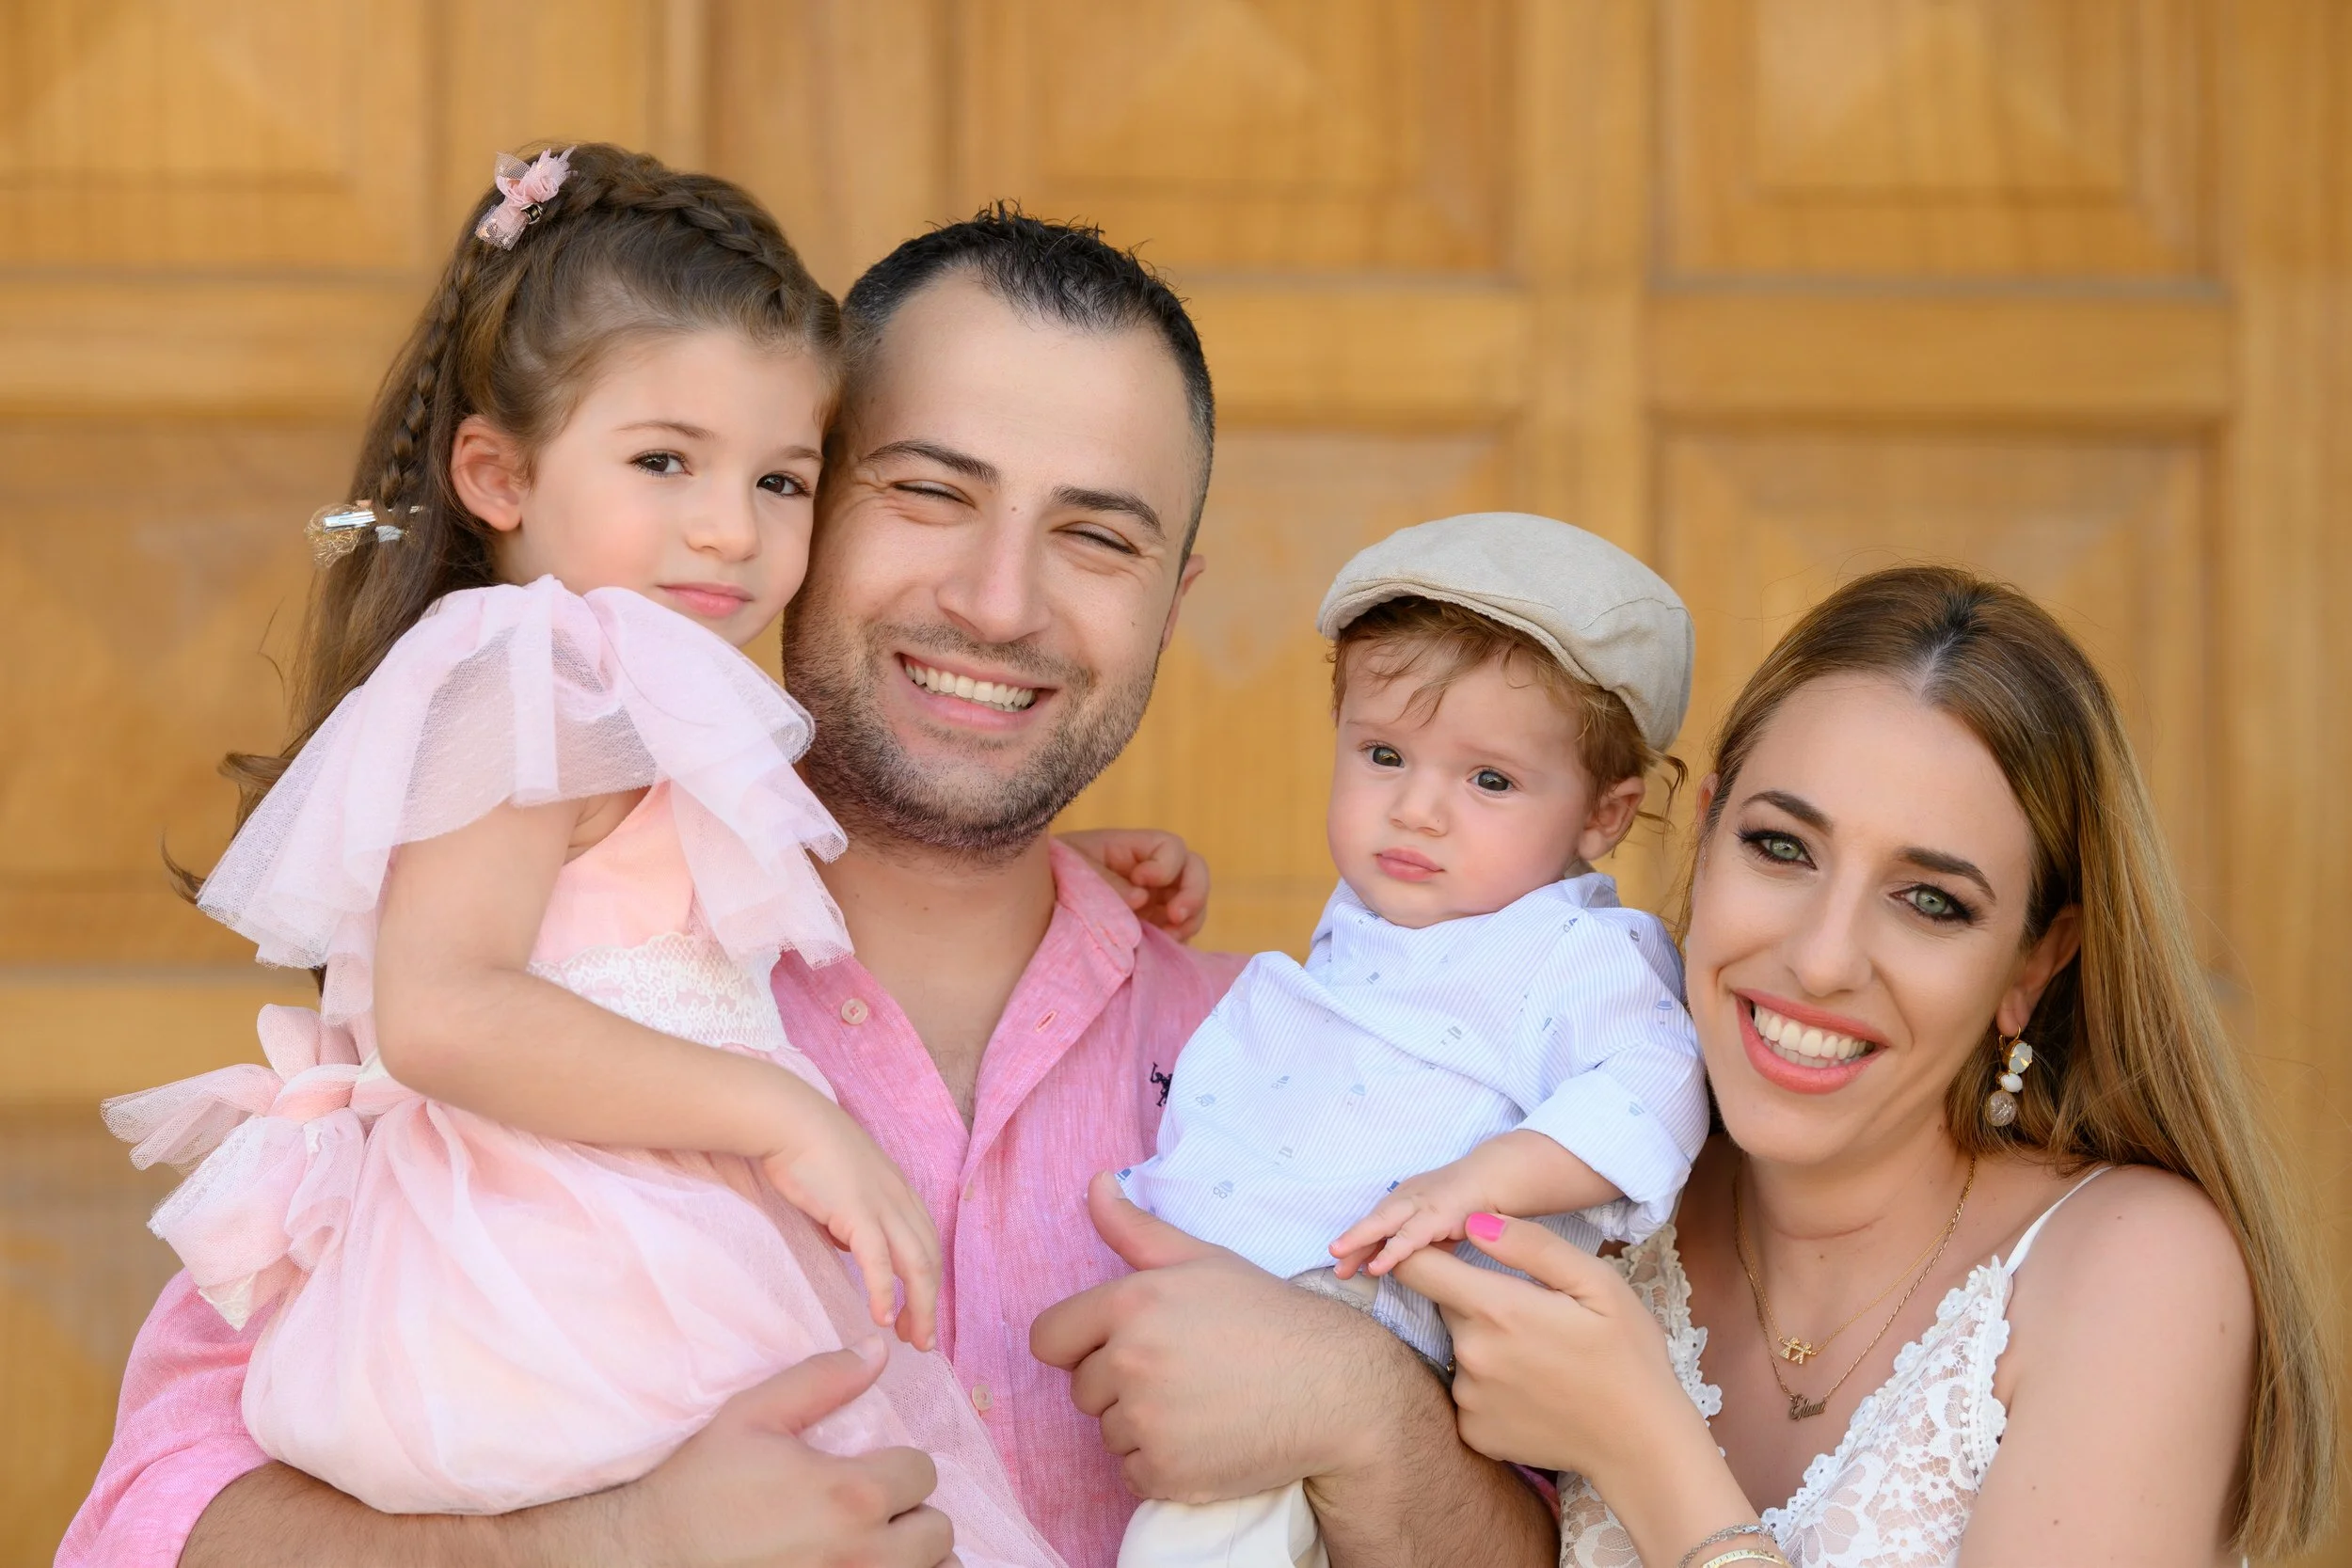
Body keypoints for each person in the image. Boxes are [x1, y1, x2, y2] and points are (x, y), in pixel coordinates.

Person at [62, 201, 1559, 1568]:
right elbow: (160, 1515)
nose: (998, 600)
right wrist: (607, 1544)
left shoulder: (1327, 1062)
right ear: (802, 508)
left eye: (1097, 536)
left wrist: (1371, 1415)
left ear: (1173, 600)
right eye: (927, 491)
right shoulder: (563, 980)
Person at [87, 141, 1057, 1562]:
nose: (731, 526)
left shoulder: (631, 686)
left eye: (783, 478)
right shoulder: (535, 664)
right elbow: (443, 1006)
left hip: (639, 1237)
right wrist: (792, 1118)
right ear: (498, 471)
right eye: (665, 459)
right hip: (564, 1264)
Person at [1392, 566, 2339, 1567]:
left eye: (1930, 900)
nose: (1822, 957)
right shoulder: (1585, 1198)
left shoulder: (2129, 1270)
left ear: (2033, 962)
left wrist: (1641, 1448)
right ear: (1706, 834)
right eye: (1780, 846)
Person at [1115, 514, 1710, 1568]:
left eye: (1488, 780)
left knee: (1202, 1532)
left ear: (1605, 814)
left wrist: (1478, 1178)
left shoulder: (1577, 949)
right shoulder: (1377, 917)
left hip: (1371, 1315)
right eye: (1383, 753)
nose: (1416, 809)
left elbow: (1655, 1084)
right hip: (1233, 1293)